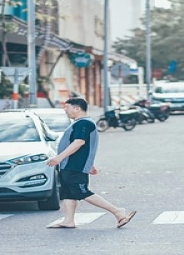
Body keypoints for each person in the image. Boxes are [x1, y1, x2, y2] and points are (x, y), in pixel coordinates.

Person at [46, 97, 137, 229]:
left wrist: (59, 158)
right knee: (68, 193)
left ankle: (118, 212)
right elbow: (88, 146)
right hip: (69, 165)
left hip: (74, 165)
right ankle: (68, 220)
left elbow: (79, 142)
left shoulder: (84, 123)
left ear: (77, 109)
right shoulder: (79, 123)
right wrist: (90, 164)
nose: (65, 110)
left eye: (67, 107)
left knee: (82, 192)